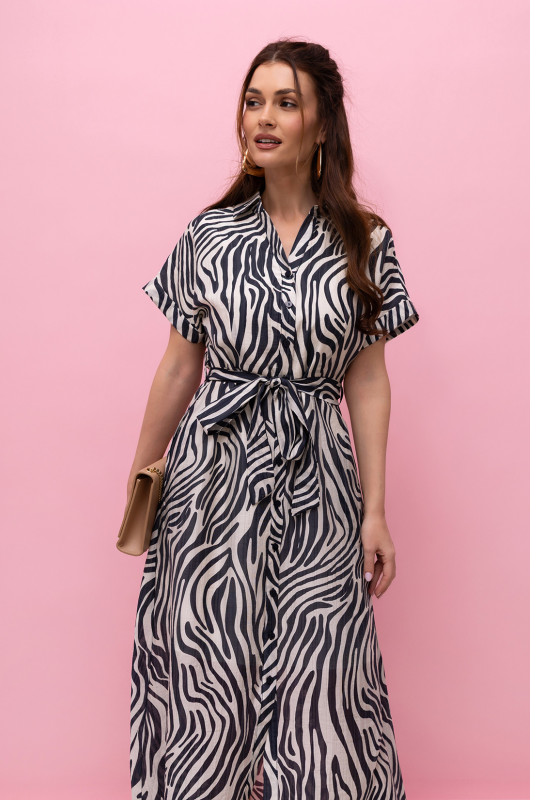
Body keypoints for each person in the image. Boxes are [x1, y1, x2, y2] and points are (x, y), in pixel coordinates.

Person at [127, 38, 419, 800]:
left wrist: (375, 511)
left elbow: (368, 380)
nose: (263, 117)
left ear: (322, 125)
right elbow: (179, 368)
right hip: (211, 481)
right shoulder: (209, 235)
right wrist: (143, 482)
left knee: (322, 675)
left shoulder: (365, 241)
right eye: (253, 101)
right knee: (211, 671)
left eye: (286, 103)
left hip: (319, 480)